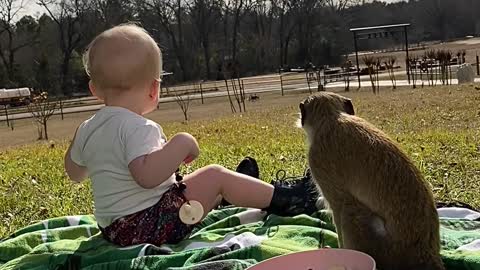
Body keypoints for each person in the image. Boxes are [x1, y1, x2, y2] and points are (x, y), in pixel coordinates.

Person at [64, 23, 318, 247]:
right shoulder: (138, 127)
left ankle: (233, 193)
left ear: (94, 89)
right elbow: (148, 177)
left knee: (186, 183)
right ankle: (288, 199)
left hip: (113, 230)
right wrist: (183, 142)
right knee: (214, 175)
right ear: (154, 88)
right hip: (147, 226)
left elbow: (75, 174)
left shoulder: (87, 128)